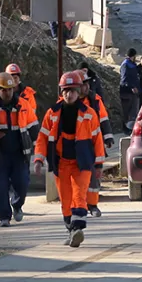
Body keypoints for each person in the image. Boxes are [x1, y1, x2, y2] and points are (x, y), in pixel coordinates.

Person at [33, 72, 106, 247]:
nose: (69, 94)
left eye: (72, 90)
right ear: (61, 91)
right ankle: (71, 229)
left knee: (79, 195)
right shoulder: (52, 113)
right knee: (65, 199)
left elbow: (97, 139)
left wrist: (99, 164)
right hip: (61, 163)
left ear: (79, 91)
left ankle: (78, 227)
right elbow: (42, 138)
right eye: (66, 90)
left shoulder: (89, 113)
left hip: (82, 163)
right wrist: (38, 159)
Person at [0, 73, 39, 227]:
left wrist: (39, 150)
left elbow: (34, 127)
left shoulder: (24, 105)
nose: (8, 93)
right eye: (4, 90)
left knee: (22, 184)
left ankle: (17, 205)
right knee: (1, 186)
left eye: (10, 89)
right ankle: (4, 216)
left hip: (19, 153)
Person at [77, 70, 114, 218]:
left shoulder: (95, 100)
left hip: (92, 143)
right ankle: (79, 205)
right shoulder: (68, 103)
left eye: (87, 84)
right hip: (74, 146)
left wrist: (108, 137)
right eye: (82, 85)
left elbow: (104, 119)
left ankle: (92, 205)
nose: (86, 87)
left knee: (93, 177)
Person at [119, 49, 141, 133]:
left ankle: (131, 128)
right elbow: (124, 79)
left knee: (133, 112)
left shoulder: (132, 64)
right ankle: (126, 128)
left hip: (133, 92)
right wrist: (131, 87)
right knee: (127, 111)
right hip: (127, 92)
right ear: (133, 56)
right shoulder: (126, 65)